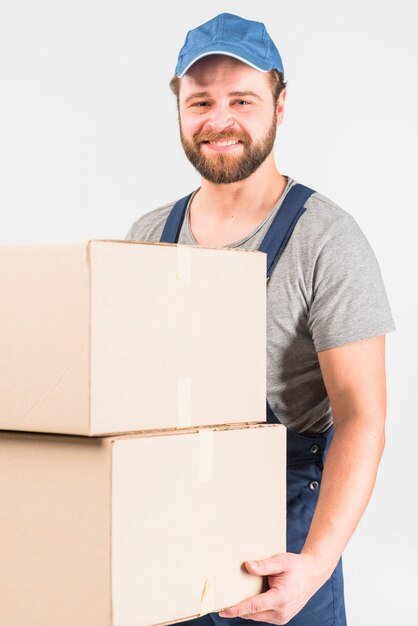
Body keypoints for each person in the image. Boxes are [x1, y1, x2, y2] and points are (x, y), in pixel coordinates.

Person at [125, 12, 395, 626]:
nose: (219, 121)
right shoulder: (148, 236)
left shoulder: (325, 239)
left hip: (282, 540)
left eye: (241, 100)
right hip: (167, 531)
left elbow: (363, 416)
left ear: (280, 103)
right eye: (200, 102)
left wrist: (317, 562)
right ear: (179, 109)